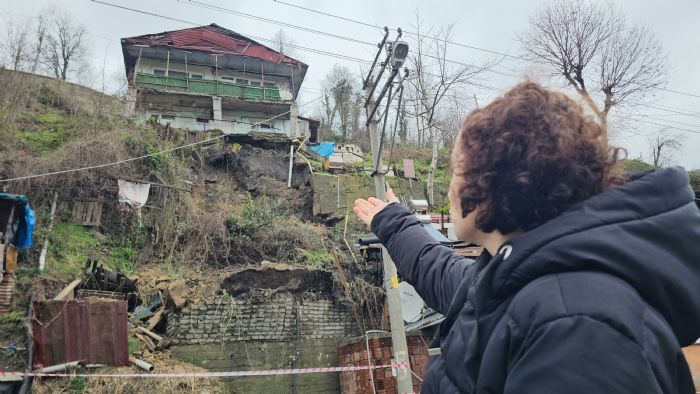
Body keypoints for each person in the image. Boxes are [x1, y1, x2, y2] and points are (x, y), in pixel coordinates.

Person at [353, 82, 700, 393]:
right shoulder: (520, 281)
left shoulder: (574, 326)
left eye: (458, 167)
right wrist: (395, 223)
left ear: (493, 180)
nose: (450, 188)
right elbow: (443, 273)